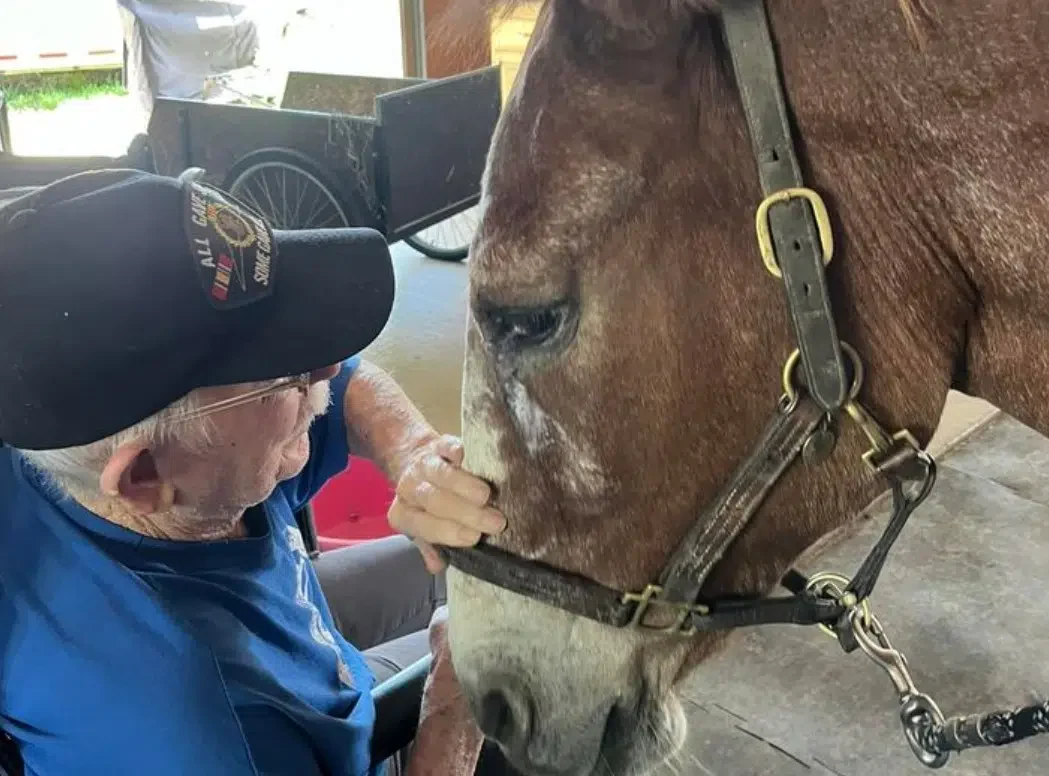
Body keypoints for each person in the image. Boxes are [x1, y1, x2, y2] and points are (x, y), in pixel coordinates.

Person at [0, 168, 498, 775]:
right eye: (283, 374)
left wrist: (414, 453)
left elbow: (345, 380)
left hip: (295, 640)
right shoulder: (207, 740)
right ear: (143, 478)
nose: (327, 367)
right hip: (293, 737)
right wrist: (454, 714)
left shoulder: (82, 438)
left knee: (488, 566)